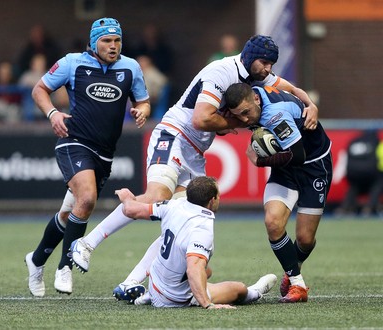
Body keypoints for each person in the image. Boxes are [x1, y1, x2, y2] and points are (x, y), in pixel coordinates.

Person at [71, 34, 320, 302]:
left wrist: (310, 105)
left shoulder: (256, 75)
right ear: (249, 57)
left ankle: (131, 282)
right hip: (175, 136)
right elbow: (201, 120)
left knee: (184, 222)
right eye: (265, 62)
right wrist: (240, 123)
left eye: (272, 64)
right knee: (157, 197)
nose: (269, 69)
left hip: (196, 151)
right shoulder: (222, 72)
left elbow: (291, 89)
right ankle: (86, 243)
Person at [24, 17, 150, 297]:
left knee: (71, 213)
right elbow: (39, 89)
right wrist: (53, 113)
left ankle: (36, 260)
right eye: (107, 41)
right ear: (94, 42)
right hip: (73, 141)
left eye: (117, 40)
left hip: (105, 153)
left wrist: (143, 110)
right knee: (88, 198)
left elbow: (143, 100)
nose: (113, 46)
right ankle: (65, 266)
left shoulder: (130, 68)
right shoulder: (72, 63)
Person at [224, 82, 332, 303]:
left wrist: (260, 160)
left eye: (246, 113)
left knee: (305, 239)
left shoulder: (275, 115)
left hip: (313, 166)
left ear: (256, 99)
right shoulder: (259, 87)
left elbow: (298, 155)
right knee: (273, 223)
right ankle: (297, 284)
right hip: (286, 169)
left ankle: (294, 266)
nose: (244, 120)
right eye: (238, 116)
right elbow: (291, 88)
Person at [115, 176, 277, 308]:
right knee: (238, 289)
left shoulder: (173, 205)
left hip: (155, 282)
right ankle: (255, 292)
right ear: (212, 200)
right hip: (173, 299)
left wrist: (126, 198)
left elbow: (131, 210)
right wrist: (207, 304)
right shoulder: (202, 228)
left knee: (207, 272)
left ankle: (150, 295)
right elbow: (193, 268)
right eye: (218, 195)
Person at [335, 130, 383, 216]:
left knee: (354, 185)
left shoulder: (354, 141)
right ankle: (370, 207)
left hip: (353, 173)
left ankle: (345, 207)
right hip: (370, 172)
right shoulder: (376, 141)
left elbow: (344, 158)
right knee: (379, 182)